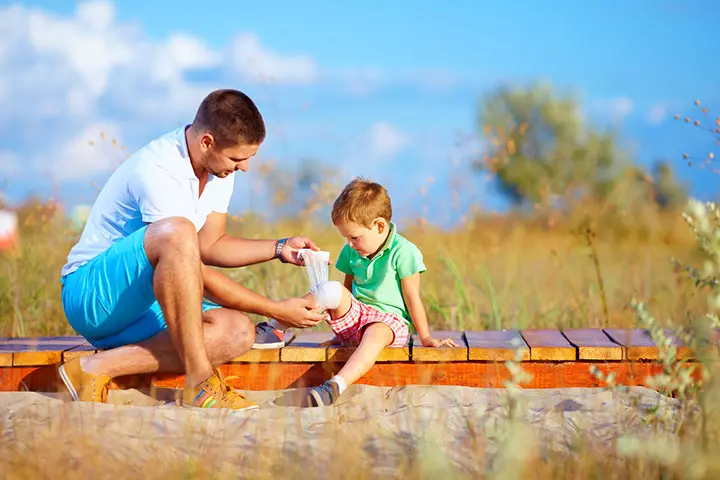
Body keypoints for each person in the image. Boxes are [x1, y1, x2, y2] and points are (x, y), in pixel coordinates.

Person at [58, 88, 327, 411]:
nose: (244, 168)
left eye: (249, 158)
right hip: (93, 298)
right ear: (207, 142)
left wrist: (280, 248)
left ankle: (96, 369)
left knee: (237, 331)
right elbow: (189, 266)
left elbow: (210, 245)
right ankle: (200, 384)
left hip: (145, 306)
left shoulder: (218, 168)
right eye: (237, 159)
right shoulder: (159, 170)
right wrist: (273, 309)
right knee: (178, 232)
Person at [253, 177, 457, 406]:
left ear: (380, 226)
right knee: (330, 288)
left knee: (375, 333)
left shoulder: (404, 251)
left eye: (354, 237)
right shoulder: (352, 250)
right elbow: (346, 290)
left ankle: (335, 386)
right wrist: (338, 333)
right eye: (345, 238)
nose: (349, 244)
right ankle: (276, 327)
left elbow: (412, 298)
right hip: (357, 316)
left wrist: (426, 337)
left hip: (389, 324)